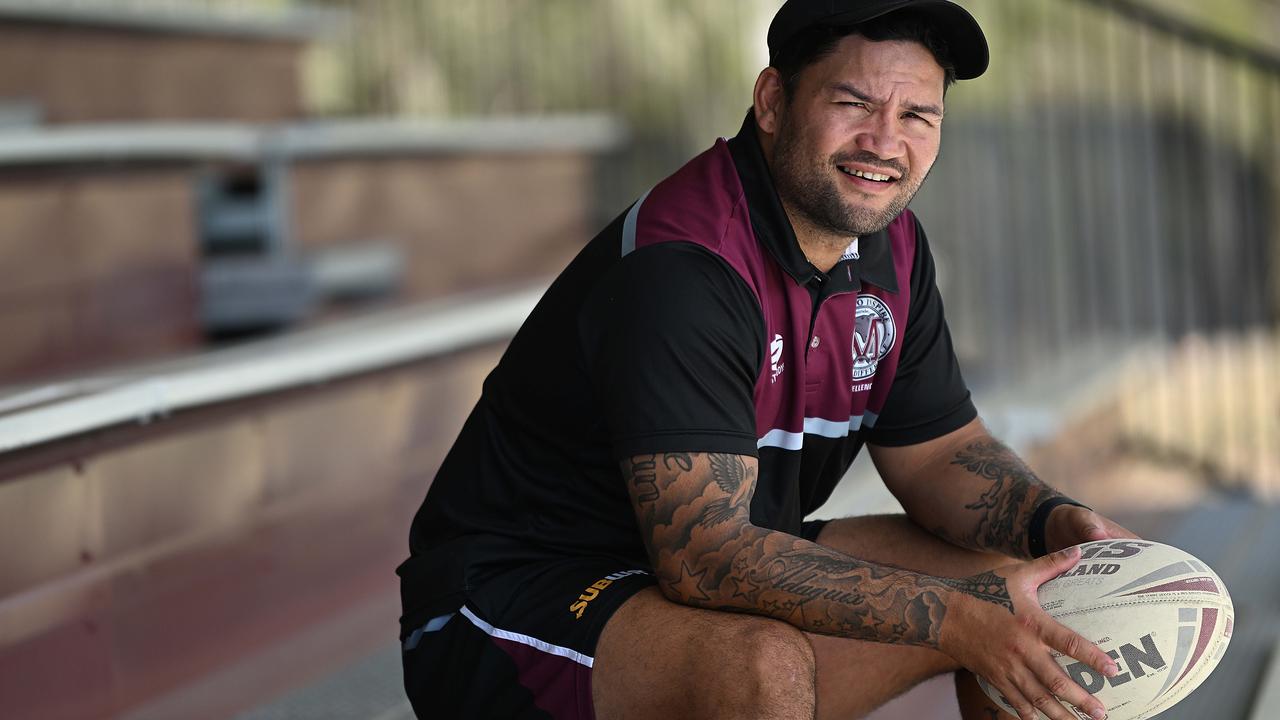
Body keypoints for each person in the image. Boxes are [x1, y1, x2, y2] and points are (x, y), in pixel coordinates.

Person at [397, 1, 1139, 718]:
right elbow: (707, 555)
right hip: (509, 600)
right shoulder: (685, 267)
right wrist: (954, 619)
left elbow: (941, 452)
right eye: (854, 103)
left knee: (1020, 595)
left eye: (917, 115)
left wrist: (1053, 521)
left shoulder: (893, 248)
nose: (884, 141)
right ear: (773, 101)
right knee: (760, 664)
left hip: (685, 575)